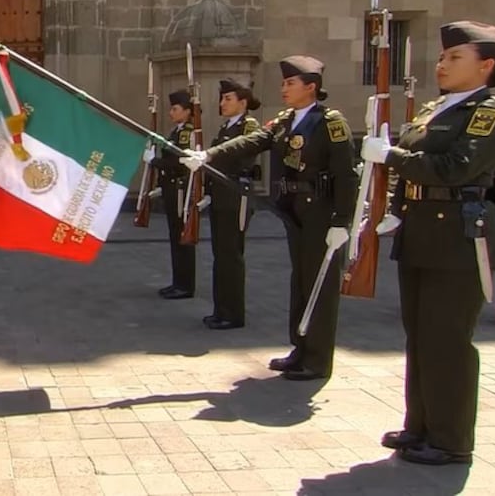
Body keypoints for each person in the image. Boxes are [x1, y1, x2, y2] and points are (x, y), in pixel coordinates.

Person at [360, 20, 495, 466]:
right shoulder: (438, 108)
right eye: (443, 57)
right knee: (421, 336)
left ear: (486, 65)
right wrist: (392, 205)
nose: (442, 64)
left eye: (454, 58)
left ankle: (451, 441)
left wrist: (391, 155)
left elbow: (454, 167)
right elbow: (414, 161)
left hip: (459, 237)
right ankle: (420, 426)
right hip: (421, 232)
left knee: (447, 339)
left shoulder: (491, 112)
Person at [182, 56, 357, 380]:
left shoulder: (330, 122)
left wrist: (341, 221)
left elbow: (346, 176)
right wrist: (208, 155)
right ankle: (300, 348)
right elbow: (253, 141)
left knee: (320, 284)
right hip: (295, 209)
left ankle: (317, 360)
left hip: (321, 210)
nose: (284, 88)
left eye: (290, 83)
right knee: (300, 281)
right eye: (284, 83)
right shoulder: (286, 121)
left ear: (311, 87)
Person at [200, 78, 262, 330]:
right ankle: (220, 309)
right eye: (222, 98)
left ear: (243, 102)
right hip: (221, 197)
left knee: (232, 257)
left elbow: (240, 157)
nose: (222, 103)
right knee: (220, 256)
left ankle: (233, 314)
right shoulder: (227, 128)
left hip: (236, 198)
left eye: (228, 98)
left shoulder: (249, 127)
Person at [147, 90, 197, 299]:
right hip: (171, 188)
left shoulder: (187, 133)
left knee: (181, 238)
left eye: (175, 109)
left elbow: (179, 162)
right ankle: (178, 281)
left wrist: (154, 161)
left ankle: (185, 285)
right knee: (174, 236)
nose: (171, 113)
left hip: (179, 190)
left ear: (186, 111)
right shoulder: (176, 132)